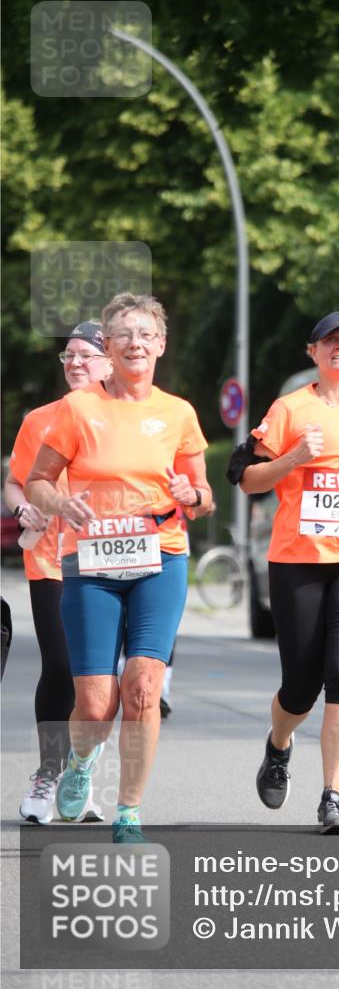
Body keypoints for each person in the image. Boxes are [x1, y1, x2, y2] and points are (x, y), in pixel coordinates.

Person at [25, 292, 211, 842]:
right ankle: (80, 763)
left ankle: (129, 809)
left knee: (144, 687)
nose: (135, 343)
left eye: (146, 334)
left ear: (160, 345)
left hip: (161, 557)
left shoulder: (178, 412)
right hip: (92, 563)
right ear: (108, 345)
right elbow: (38, 480)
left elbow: (203, 498)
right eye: (124, 334)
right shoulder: (79, 410)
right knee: (95, 701)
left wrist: (190, 493)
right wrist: (59, 503)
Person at [234, 311, 339, 833]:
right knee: (301, 685)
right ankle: (279, 744)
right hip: (297, 561)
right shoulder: (290, 409)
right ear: (313, 352)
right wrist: (293, 458)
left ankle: (333, 796)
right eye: (330, 341)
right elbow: (247, 481)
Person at [4, 321, 113, 824]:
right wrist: (23, 509)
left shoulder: (128, 419)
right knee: (61, 664)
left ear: (110, 361)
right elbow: (14, 485)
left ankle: (79, 774)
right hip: (51, 560)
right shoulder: (41, 419)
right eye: (67, 356)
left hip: (113, 561)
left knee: (99, 679)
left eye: (85, 355)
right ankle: (48, 773)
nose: (74, 363)